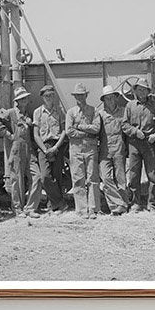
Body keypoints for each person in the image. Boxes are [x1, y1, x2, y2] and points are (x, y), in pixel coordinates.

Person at [123, 76, 155, 211]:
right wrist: (135, 131)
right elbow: (124, 125)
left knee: (151, 174)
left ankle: (152, 203)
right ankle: (136, 203)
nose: (141, 92)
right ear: (135, 91)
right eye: (139, 89)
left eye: (144, 90)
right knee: (134, 174)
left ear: (148, 92)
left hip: (149, 143)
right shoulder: (130, 106)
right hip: (134, 143)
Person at [0, 86, 36, 215]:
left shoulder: (27, 114)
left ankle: (30, 207)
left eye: (25, 98)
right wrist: (9, 135)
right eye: (21, 99)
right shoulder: (11, 113)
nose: (24, 101)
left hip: (28, 149)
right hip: (16, 149)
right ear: (17, 101)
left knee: (37, 177)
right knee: (16, 179)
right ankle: (17, 208)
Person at [65, 83, 102, 218]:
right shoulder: (71, 112)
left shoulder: (94, 110)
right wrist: (86, 132)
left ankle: (93, 209)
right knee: (78, 178)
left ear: (86, 95)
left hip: (90, 148)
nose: (80, 97)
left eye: (82, 95)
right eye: (77, 95)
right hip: (76, 149)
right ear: (75, 97)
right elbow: (69, 131)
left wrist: (80, 126)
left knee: (92, 178)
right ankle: (81, 209)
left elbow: (97, 128)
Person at [30, 84, 69, 213]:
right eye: (46, 96)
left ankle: (53, 204)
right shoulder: (38, 112)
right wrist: (45, 150)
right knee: (45, 176)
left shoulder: (59, 111)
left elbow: (64, 131)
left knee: (57, 175)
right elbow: (36, 134)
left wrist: (56, 146)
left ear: (54, 96)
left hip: (57, 144)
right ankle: (60, 202)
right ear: (42, 97)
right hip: (43, 146)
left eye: (51, 95)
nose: (49, 98)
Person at [96, 84, 130, 215]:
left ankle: (119, 206)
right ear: (103, 100)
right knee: (106, 178)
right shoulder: (100, 114)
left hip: (119, 149)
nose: (110, 100)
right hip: (105, 150)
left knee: (121, 178)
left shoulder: (123, 111)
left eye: (112, 98)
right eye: (107, 98)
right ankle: (119, 203)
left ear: (116, 98)